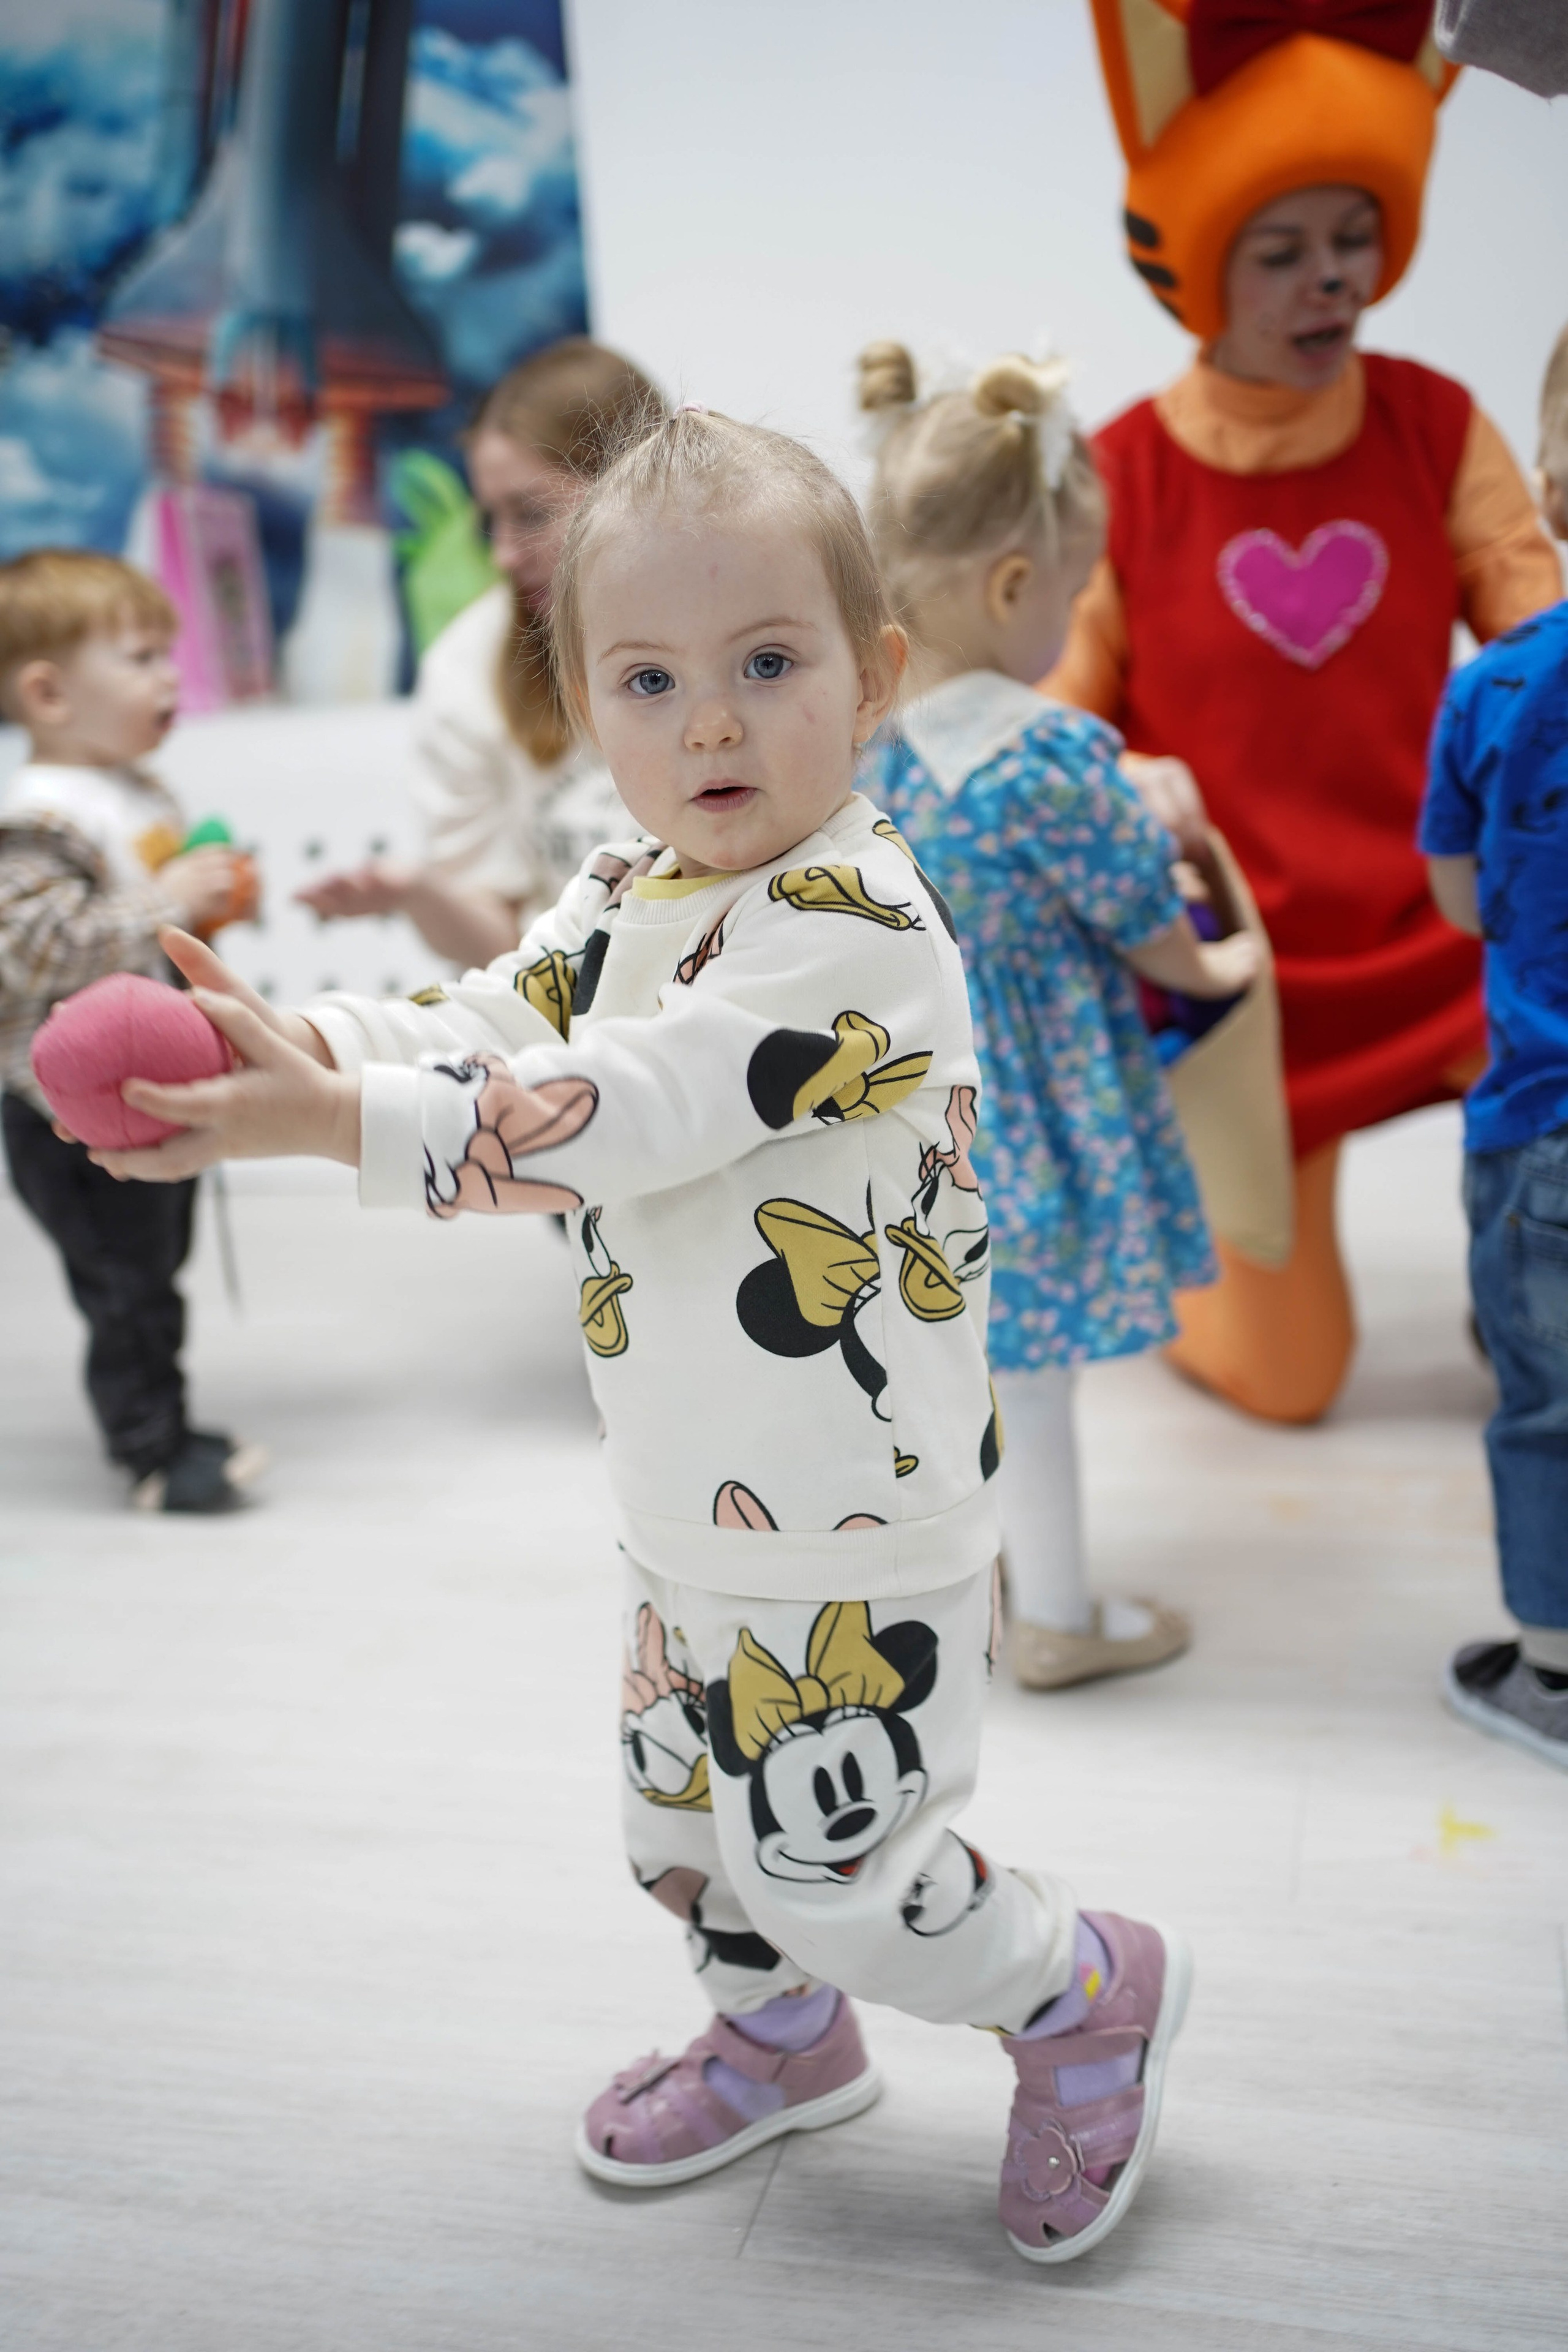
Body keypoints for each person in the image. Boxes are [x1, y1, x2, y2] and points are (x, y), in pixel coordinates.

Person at [85, 407, 1191, 2266]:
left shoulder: (855, 917)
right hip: (689, 1502)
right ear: (586, 704)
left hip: (858, 1521)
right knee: (676, 1828)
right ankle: (783, 2040)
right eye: (651, 677)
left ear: (875, 673)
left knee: (843, 1866)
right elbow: (478, 1012)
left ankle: (1080, 1984)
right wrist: (294, 1050)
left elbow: (627, 1104)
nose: (709, 724)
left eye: (769, 664)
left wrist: (321, 1131)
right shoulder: (620, 889)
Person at [1050, 0, 1564, 1423]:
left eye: (1347, 241)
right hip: (1244, 972)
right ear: (1196, 266)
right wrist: (1127, 779)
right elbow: (1060, 720)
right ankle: (1176, 1258)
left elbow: (1540, 648)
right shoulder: (1121, 474)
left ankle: (1518, 1277)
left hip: (1449, 927)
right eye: (1278, 254)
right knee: (1282, 1385)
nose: (1325, 282)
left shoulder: (1430, 423)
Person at [856, 342, 1255, 1689]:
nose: (1076, 615)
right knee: (1034, 1377)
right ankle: (1060, 1620)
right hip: (1038, 1110)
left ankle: (987, 1582)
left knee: (955, 1365)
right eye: (1075, 593)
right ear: (1014, 586)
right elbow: (1144, 915)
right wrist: (1213, 971)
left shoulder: (869, 748)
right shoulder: (1050, 755)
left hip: (912, 1107)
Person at [0, 549, 262, 1512]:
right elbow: (23, 949)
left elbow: (154, 928)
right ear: (49, 692)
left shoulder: (138, 792)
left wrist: (211, 904)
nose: (170, 678)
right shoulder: (38, 816)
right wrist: (163, 899)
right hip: (63, 1106)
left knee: (156, 1259)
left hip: (145, 1091)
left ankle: (169, 1423)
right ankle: (152, 1450)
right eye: (144, 657)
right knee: (124, 1279)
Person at [298, 339, 666, 967]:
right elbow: (503, 952)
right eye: (489, 520)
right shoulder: (465, 668)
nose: (502, 554)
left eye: (529, 513)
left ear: (630, 481)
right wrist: (416, 891)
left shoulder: (750, 624)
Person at [1420, 325, 1568, 1771]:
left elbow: (1456, 899)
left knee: (1545, 1403)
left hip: (1541, 1120)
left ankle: (1549, 1671)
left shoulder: (1491, 689)